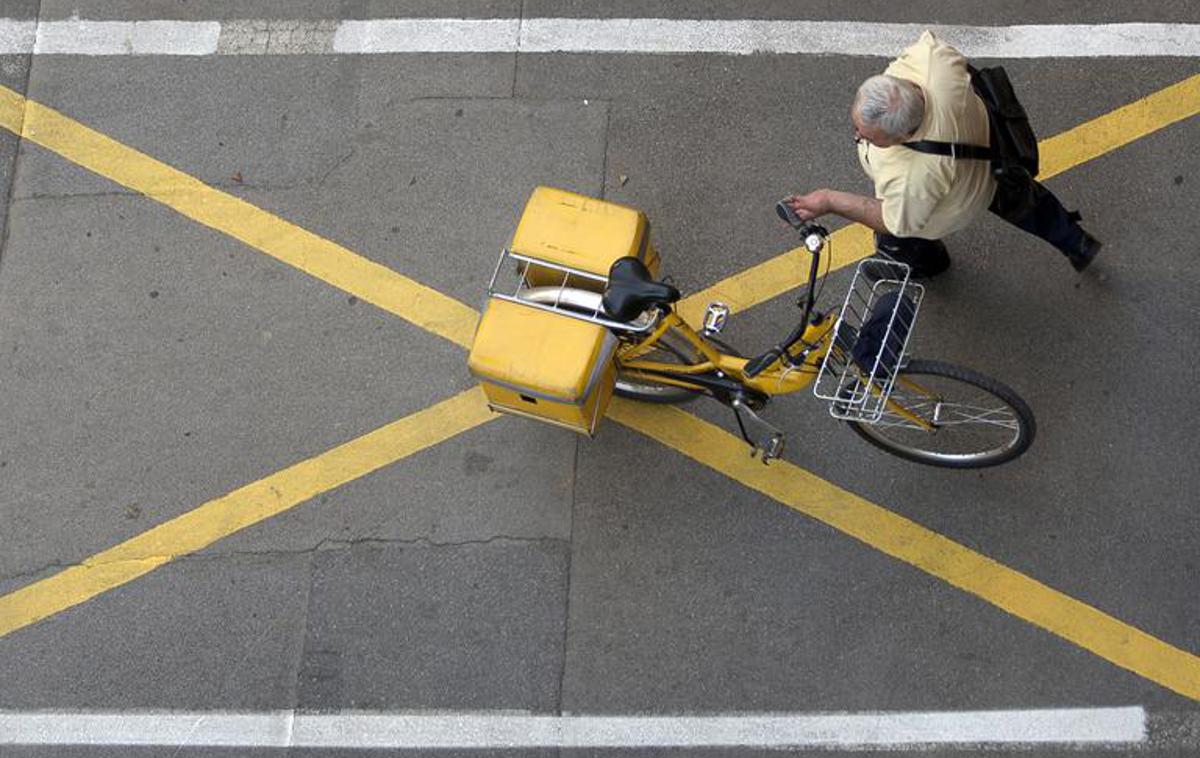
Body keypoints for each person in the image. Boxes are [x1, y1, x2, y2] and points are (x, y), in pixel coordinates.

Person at [785, 30, 1101, 277]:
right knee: (1027, 203)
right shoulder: (933, 62)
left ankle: (928, 263)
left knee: (899, 240)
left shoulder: (912, 177)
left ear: (907, 134)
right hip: (993, 155)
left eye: (869, 138)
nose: (858, 138)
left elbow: (896, 221)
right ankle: (1075, 242)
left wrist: (828, 200)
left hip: (958, 201)